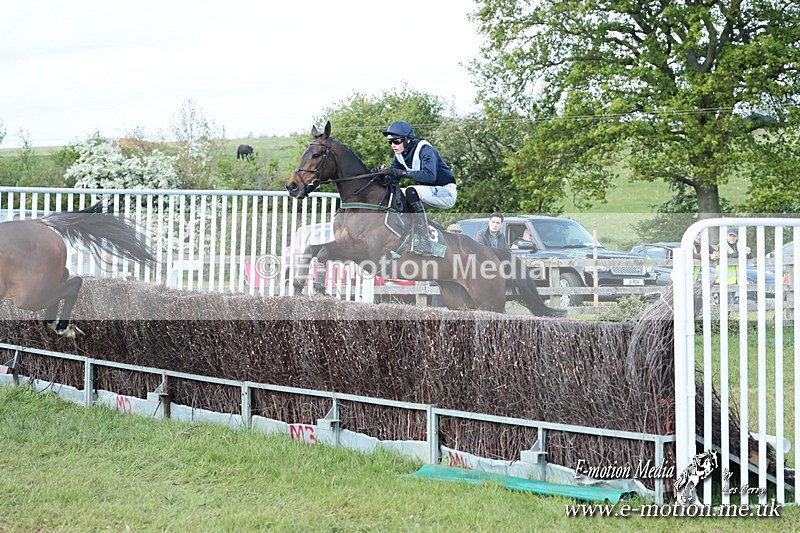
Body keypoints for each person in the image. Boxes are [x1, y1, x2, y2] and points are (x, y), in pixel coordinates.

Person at [381, 121, 457, 255]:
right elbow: (391, 182)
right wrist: (380, 175)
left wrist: (402, 173)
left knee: (411, 190)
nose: (393, 145)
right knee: (394, 193)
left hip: (446, 192)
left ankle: (425, 242)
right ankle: (406, 236)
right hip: (428, 193)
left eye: (397, 141)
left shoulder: (425, 149)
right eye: (390, 142)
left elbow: (429, 177)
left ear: (408, 140)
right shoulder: (400, 156)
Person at [715, 228, 752, 304]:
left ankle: (725, 316)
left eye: (734, 236)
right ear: (726, 236)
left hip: (735, 281)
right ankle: (723, 316)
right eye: (730, 235)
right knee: (727, 303)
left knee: (730, 304)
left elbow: (750, 257)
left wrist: (748, 251)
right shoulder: (721, 245)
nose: (732, 238)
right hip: (723, 280)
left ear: (737, 237)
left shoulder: (739, 245)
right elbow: (727, 256)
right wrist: (742, 252)